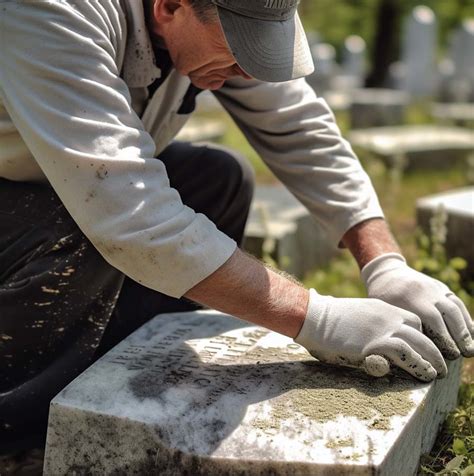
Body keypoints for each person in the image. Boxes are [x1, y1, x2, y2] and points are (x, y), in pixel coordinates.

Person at [0, 0, 472, 458]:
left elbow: (300, 129)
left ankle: (119, 368)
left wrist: (384, 263)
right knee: (76, 223)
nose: (250, 74)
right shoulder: (52, 11)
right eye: (241, 52)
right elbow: (126, 214)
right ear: (168, 7)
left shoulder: (210, 21)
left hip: (58, 178)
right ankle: (18, 432)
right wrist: (317, 318)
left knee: (218, 179)